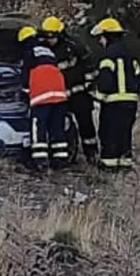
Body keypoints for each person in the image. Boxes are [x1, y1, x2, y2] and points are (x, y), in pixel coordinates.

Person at [39, 15, 99, 165]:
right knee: (58, 125)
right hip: (57, 95)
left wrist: (87, 86)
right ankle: (63, 155)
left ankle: (91, 154)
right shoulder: (42, 48)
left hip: (79, 92)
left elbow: (89, 68)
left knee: (85, 124)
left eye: (52, 36)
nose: (49, 39)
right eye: (46, 36)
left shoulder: (74, 46)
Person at [89, 17, 140, 170]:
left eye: (101, 38)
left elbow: (105, 82)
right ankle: (125, 165)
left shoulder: (107, 57)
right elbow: (138, 76)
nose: (100, 42)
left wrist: (96, 97)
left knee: (108, 134)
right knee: (124, 135)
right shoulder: (130, 55)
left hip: (113, 104)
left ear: (107, 36)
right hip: (131, 103)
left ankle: (108, 166)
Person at [18, 25, 69, 171]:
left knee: (38, 128)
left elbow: (25, 76)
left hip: (42, 95)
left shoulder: (28, 52)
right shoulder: (48, 51)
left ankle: (40, 161)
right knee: (57, 127)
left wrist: (24, 93)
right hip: (59, 93)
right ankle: (60, 160)